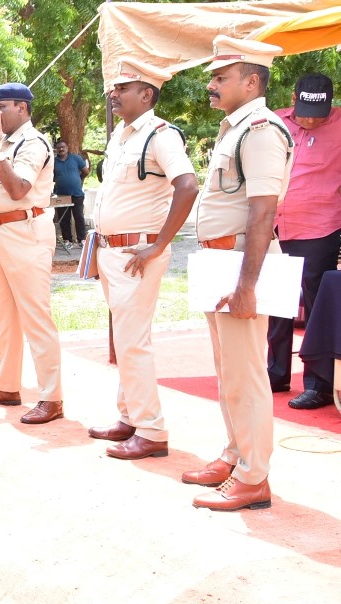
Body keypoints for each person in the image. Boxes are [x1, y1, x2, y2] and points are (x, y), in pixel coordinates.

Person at [183, 37, 293, 511]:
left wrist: (246, 285)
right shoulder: (236, 128)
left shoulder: (261, 129)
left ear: (251, 82)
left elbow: (262, 210)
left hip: (240, 264)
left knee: (247, 374)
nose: (211, 84)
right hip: (218, 260)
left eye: (220, 77)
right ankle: (235, 454)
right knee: (228, 370)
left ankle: (254, 476)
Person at [89, 59, 199, 460]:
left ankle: (151, 430)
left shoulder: (160, 135)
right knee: (125, 338)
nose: (113, 94)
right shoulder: (121, 134)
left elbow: (187, 185)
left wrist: (158, 244)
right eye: (113, 88)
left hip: (137, 253)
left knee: (133, 341)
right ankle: (131, 417)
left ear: (147, 95)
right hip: (112, 251)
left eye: (123, 88)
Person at [0, 83, 64, 424]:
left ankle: (51, 396)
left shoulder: (31, 142)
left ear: (21, 108)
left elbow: (20, 189)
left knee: (35, 315)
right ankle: (6, 384)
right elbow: (2, 190)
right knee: (4, 314)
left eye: (0, 108)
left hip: (25, 233)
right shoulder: (5, 144)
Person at [268, 73, 341, 409]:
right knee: (277, 302)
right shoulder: (275, 123)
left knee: (317, 306)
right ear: (294, 98)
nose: (311, 119)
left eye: (319, 112)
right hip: (276, 226)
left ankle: (319, 384)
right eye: (305, 111)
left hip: (321, 228)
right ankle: (276, 373)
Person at [53, 139, 89, 244]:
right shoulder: (54, 162)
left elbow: (85, 172)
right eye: (59, 147)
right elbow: (51, 176)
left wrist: (77, 179)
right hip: (61, 194)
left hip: (77, 193)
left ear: (67, 148)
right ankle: (67, 240)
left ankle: (82, 239)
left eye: (63, 147)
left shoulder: (76, 158)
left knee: (79, 217)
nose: (61, 149)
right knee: (64, 219)